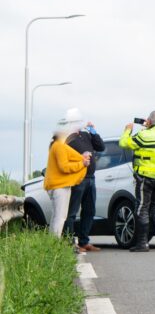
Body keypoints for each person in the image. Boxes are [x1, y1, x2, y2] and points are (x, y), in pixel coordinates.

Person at [119, 111, 155, 252]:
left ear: (149, 121)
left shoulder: (144, 135)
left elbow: (124, 143)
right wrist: (149, 127)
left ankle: (142, 243)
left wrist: (127, 131)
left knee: (142, 208)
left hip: (146, 178)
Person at [64, 108, 106, 252]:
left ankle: (84, 241)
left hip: (90, 178)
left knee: (89, 211)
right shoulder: (67, 138)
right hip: (77, 179)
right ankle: (69, 242)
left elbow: (101, 147)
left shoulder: (85, 135)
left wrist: (94, 132)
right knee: (72, 212)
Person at [44, 120, 91, 242]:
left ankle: (51, 243)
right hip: (60, 186)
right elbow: (64, 167)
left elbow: (71, 157)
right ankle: (54, 244)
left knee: (57, 216)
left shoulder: (57, 145)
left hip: (57, 186)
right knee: (60, 217)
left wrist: (81, 158)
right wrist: (82, 163)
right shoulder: (59, 146)